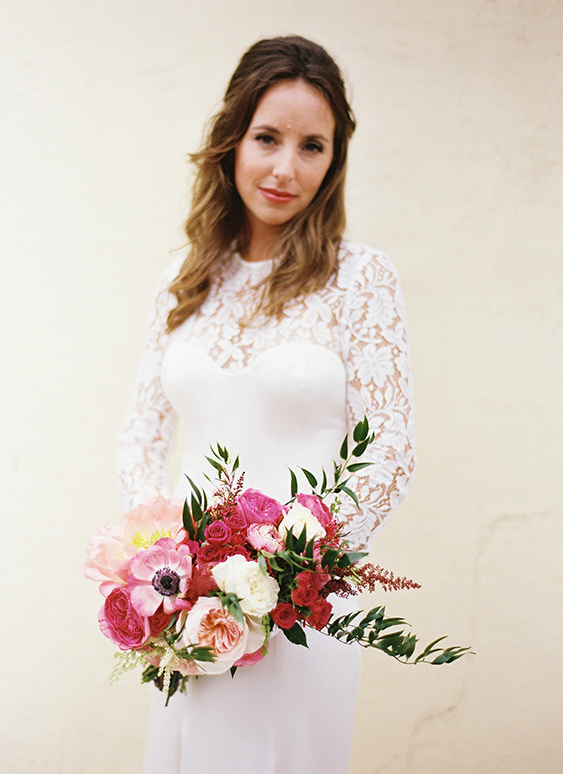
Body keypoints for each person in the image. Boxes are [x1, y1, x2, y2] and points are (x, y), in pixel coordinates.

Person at [117, 34, 415, 774]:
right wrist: (166, 568)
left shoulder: (360, 279)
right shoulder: (185, 281)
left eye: (312, 146)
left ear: (334, 161)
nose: (286, 168)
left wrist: (292, 572)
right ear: (232, 140)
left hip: (298, 613)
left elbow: (389, 448)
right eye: (267, 138)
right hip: (192, 613)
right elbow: (141, 438)